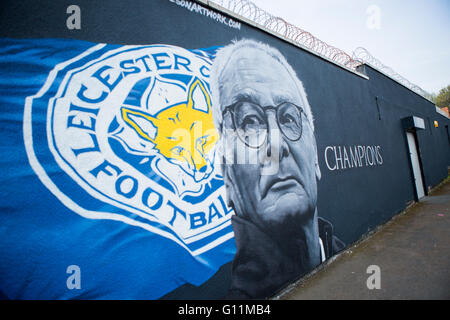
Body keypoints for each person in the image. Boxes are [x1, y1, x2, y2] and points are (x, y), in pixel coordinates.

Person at [209, 39, 345, 299]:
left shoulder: (343, 255)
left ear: (315, 156)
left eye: (289, 118)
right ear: (228, 177)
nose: (277, 144)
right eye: (249, 121)